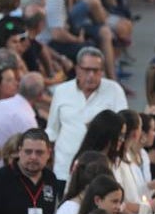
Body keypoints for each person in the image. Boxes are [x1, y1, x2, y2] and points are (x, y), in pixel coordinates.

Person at [46, 47, 128, 185]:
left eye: (96, 70)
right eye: (86, 70)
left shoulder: (114, 90)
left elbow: (123, 127)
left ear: (102, 72)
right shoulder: (61, 91)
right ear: (77, 69)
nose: (91, 75)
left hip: (100, 170)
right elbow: (52, 130)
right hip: (65, 168)